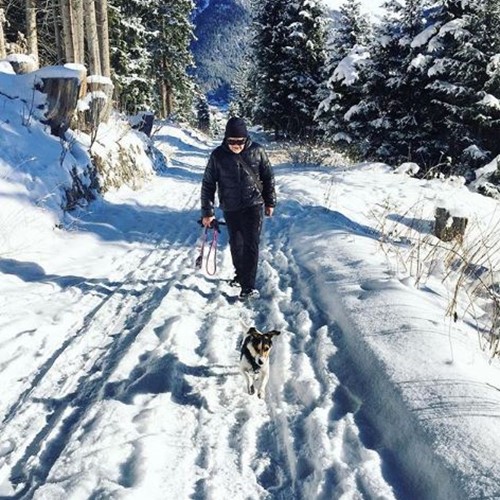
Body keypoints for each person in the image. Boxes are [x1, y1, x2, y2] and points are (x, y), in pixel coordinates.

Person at [201, 117, 276, 299]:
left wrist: (270, 202)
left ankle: (248, 287)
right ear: (226, 139)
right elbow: (208, 184)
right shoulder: (218, 155)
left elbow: (268, 177)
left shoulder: (257, 151)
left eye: (240, 141)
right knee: (236, 243)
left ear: (246, 138)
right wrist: (207, 212)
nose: (236, 145)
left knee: (251, 243)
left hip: (254, 205)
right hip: (231, 206)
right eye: (232, 141)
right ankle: (240, 275)